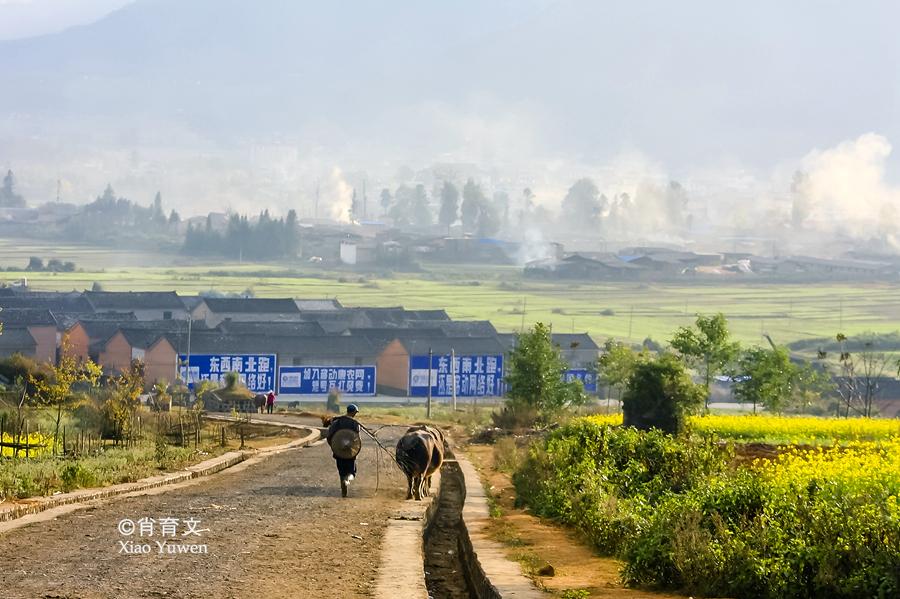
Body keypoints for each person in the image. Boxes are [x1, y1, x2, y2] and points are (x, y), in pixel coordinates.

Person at [326, 404, 361, 497]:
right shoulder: (355, 424)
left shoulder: (336, 422)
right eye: (355, 413)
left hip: (339, 452)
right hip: (350, 452)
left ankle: (343, 487)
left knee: (341, 471)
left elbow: (329, 437)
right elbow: (357, 439)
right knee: (352, 471)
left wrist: (334, 448)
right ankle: (347, 480)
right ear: (353, 412)